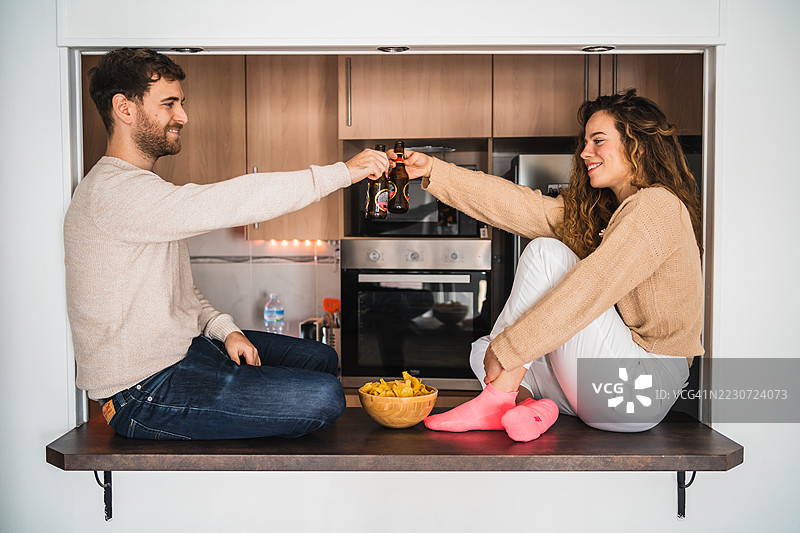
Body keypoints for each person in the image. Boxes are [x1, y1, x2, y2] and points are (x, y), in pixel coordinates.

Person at [64, 48, 389, 440]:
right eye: (169, 104)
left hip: (187, 350)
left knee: (321, 357)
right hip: (142, 390)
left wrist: (224, 329)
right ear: (125, 108)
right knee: (325, 395)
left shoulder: (141, 191)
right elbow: (234, 199)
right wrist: (343, 173)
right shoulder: (113, 194)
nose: (182, 116)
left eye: (181, 103)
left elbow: (178, 292)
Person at [394, 89, 703, 441]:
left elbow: (592, 288)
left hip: (640, 388)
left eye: (598, 141)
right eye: (585, 142)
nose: (585, 152)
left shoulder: (656, 207)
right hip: (605, 391)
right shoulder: (606, 215)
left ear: (640, 146)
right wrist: (434, 170)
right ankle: (527, 408)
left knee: (545, 256)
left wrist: (512, 353)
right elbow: (519, 207)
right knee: (483, 348)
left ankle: (499, 395)